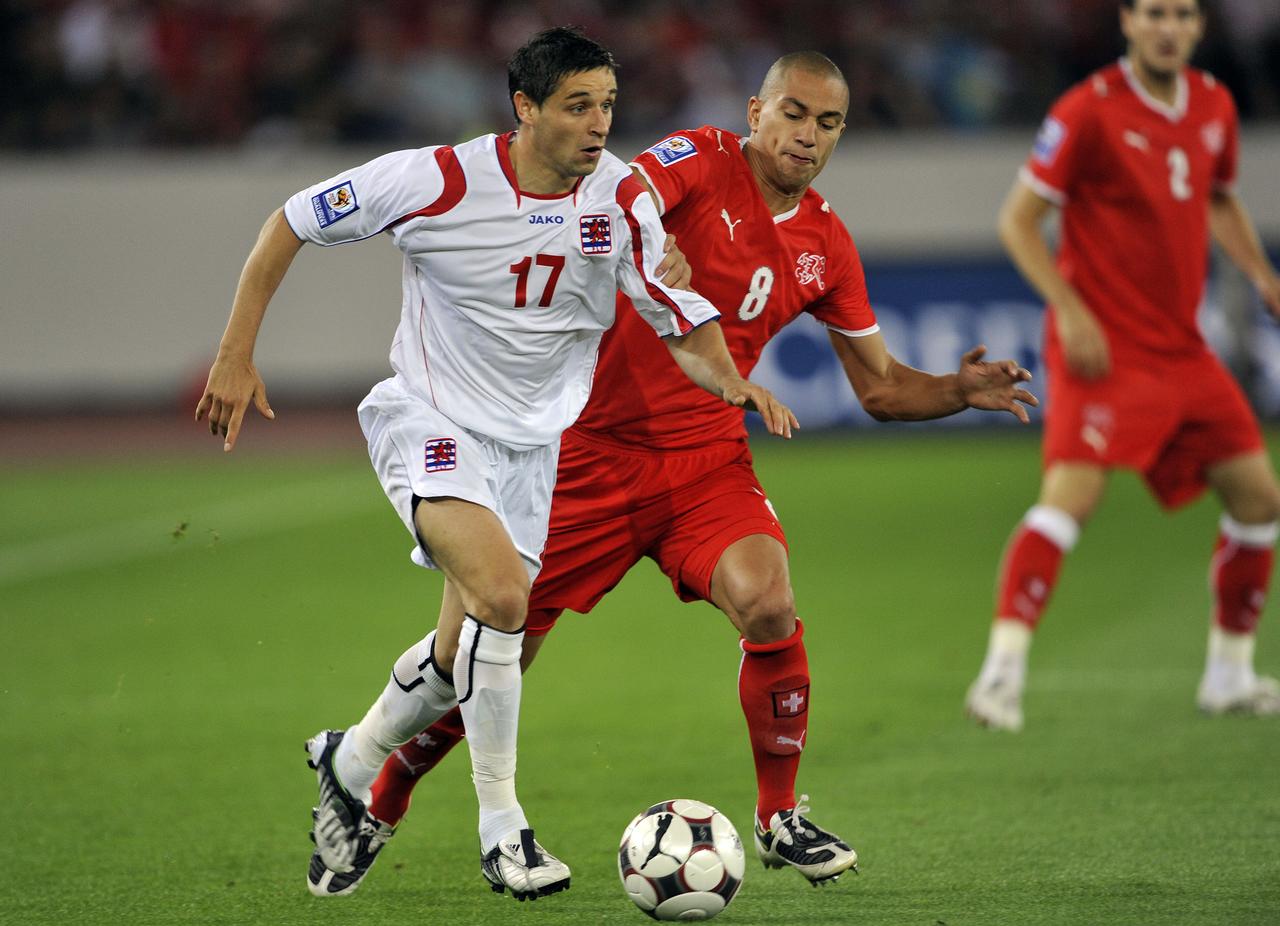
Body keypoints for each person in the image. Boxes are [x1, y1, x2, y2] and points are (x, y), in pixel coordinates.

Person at [303, 51, 1038, 898]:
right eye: (792, 114)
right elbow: (625, 191)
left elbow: (878, 388)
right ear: (756, 111)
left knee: (769, 601)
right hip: (586, 454)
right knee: (489, 652)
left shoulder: (825, 243)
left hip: (705, 462)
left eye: (827, 123)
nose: (805, 136)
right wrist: (648, 240)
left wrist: (952, 390)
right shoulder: (700, 158)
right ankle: (376, 798)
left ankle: (779, 816)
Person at [195, 26, 798, 902]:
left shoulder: (623, 198)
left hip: (531, 451)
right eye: (578, 106)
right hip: (428, 419)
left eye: (609, 106)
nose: (599, 125)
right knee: (505, 600)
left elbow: (678, 314)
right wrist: (235, 353)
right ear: (525, 109)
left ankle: (350, 756)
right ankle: (502, 826)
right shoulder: (435, 180)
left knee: (454, 662)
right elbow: (290, 220)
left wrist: (729, 380)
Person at [965, 0, 1280, 732]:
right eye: (1153, 13)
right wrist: (1071, 311)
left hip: (1181, 350)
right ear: (1128, 23)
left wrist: (1261, 274)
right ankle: (1001, 673)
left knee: (1260, 500)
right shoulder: (1088, 109)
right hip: (1102, 348)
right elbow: (1017, 220)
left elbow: (1221, 197)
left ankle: (1229, 675)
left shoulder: (1213, 105)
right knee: (1070, 498)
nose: (1168, 27)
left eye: (1181, 14)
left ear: (1199, 27)